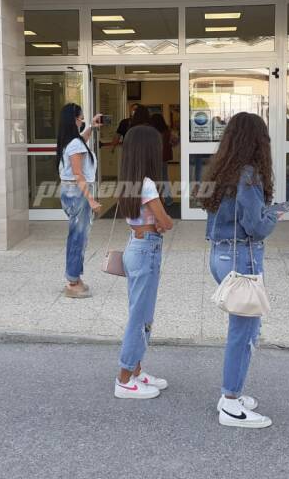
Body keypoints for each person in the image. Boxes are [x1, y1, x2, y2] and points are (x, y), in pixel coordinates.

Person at [203, 112, 283, 428]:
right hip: (242, 259)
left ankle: (232, 394)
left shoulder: (221, 171)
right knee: (244, 333)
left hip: (220, 256)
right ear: (258, 141)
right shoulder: (249, 174)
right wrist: (274, 215)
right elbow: (256, 227)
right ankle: (231, 403)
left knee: (243, 330)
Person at [114, 125, 174, 399]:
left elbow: (146, 219)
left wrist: (156, 225)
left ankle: (137, 371)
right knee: (139, 318)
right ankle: (124, 378)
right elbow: (166, 222)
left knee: (142, 315)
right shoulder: (148, 184)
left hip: (136, 247)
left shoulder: (129, 181)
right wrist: (163, 224)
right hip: (146, 250)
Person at [57, 103, 104, 298]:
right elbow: (78, 174)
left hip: (69, 192)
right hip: (77, 193)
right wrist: (91, 200)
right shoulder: (74, 144)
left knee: (76, 236)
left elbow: (82, 141)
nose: (82, 120)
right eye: (81, 118)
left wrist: (91, 127)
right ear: (74, 120)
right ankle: (72, 281)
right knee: (78, 238)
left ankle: (74, 277)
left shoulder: (69, 141)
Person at [148, 113, 175, 207]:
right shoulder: (167, 130)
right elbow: (175, 141)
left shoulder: (152, 131)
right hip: (164, 157)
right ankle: (168, 199)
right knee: (165, 178)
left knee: (154, 178)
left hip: (155, 157)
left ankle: (157, 200)